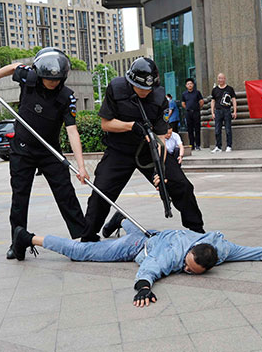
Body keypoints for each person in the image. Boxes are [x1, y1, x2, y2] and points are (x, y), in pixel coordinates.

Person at [11, 216, 262, 307]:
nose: (184, 270)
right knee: (81, 252)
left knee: (141, 230)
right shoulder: (171, 256)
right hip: (141, 246)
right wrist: (144, 288)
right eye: (187, 266)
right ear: (187, 256)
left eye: (191, 272)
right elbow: (149, 270)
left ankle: (121, 220)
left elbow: (258, 251)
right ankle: (28, 237)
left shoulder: (222, 248)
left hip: (156, 234)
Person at [0, 47, 90, 260]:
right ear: (40, 74)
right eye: (49, 79)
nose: (52, 83)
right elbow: (13, 67)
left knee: (65, 193)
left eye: (57, 80)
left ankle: (84, 238)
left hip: (50, 151)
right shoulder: (29, 77)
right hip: (22, 149)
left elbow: (72, 131)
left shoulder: (66, 97)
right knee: (20, 196)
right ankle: (17, 243)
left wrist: (82, 167)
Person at [84, 57, 206, 242]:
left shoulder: (159, 97)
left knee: (181, 185)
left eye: (148, 89)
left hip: (148, 150)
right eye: (140, 88)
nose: (144, 92)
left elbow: (161, 138)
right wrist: (131, 126)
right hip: (119, 150)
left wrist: (159, 170)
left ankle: (197, 232)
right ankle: (88, 237)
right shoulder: (116, 88)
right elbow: (105, 124)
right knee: (101, 192)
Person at [210, 73, 237, 153]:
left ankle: (229, 146)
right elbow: (213, 101)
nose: (220, 80)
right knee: (217, 130)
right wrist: (212, 112)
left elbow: (234, 100)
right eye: (219, 78)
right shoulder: (215, 90)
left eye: (222, 78)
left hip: (227, 110)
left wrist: (235, 111)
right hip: (218, 111)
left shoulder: (230, 89)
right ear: (217, 79)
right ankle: (218, 146)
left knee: (228, 129)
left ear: (225, 79)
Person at [181, 78, 204, 151]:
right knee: (189, 129)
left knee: (197, 129)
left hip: (196, 112)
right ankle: (192, 145)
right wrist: (187, 108)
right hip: (188, 113)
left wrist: (197, 108)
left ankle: (198, 145)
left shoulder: (197, 92)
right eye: (188, 84)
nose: (189, 85)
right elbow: (183, 103)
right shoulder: (184, 94)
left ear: (193, 85)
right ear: (186, 85)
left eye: (190, 84)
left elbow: (201, 102)